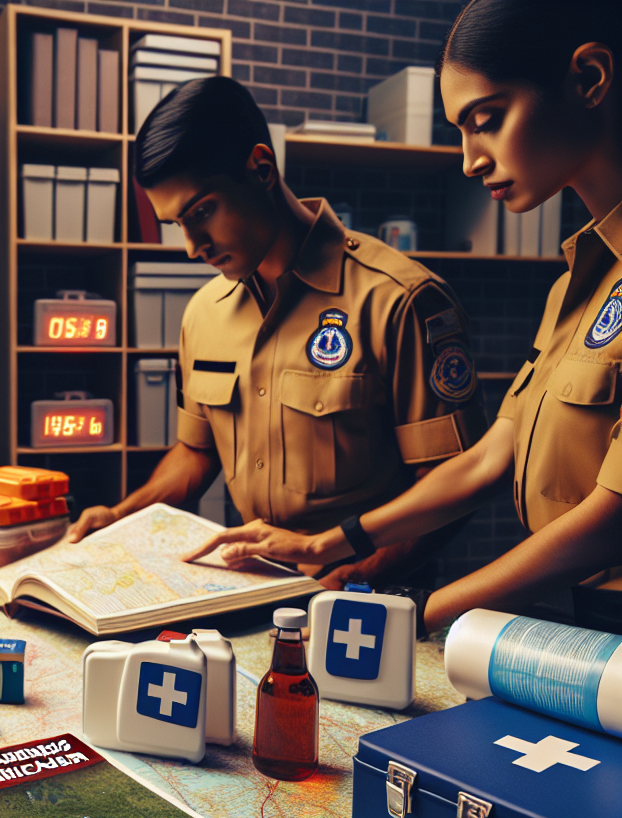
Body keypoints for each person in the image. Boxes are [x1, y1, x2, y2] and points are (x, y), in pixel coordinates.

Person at [185, 0, 622, 635]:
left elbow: (611, 518)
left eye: (487, 120)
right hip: (575, 627)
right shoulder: (579, 283)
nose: (470, 159)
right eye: (461, 130)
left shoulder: (402, 293)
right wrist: (328, 544)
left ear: (588, 80)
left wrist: (423, 613)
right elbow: (490, 457)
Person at [67, 76, 487, 590]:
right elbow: (196, 452)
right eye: (176, 222)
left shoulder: (401, 299)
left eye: (202, 212)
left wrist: (347, 579)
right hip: (253, 589)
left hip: (372, 600)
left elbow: (454, 489)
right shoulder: (203, 313)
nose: (192, 247)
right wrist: (122, 516)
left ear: (261, 168)